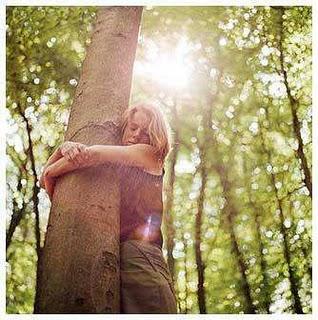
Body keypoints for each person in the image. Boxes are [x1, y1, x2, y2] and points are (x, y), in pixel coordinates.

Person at [39, 102, 177, 314]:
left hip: (142, 259)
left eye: (146, 132)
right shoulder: (118, 173)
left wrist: (51, 171)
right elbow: (48, 184)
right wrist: (61, 148)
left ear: (156, 137)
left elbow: (91, 155)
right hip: (114, 258)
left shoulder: (150, 154)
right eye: (133, 128)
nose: (137, 135)